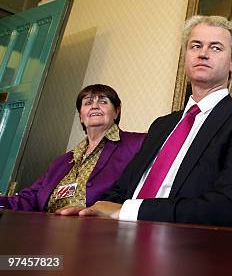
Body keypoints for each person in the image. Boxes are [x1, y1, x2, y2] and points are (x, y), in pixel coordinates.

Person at [58, 15, 232, 226]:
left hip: (178, 240)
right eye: (195, 46)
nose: (203, 53)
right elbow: (121, 188)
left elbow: (231, 206)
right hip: (115, 231)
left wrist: (128, 210)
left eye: (216, 48)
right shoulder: (162, 125)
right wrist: (93, 210)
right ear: (186, 56)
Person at [0, 84, 144, 212]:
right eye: (88, 102)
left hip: (101, 231)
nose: (94, 106)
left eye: (103, 101)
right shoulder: (62, 161)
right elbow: (28, 199)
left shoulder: (138, 143)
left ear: (116, 112)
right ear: (81, 116)